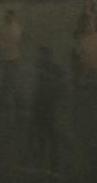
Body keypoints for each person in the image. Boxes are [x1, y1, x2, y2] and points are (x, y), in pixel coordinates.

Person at [31, 46, 65, 174]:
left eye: (44, 55)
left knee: (51, 135)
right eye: (42, 55)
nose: (43, 57)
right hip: (40, 106)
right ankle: (43, 164)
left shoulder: (55, 69)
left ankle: (53, 165)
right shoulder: (37, 68)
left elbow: (60, 86)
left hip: (50, 106)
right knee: (42, 136)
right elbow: (33, 86)